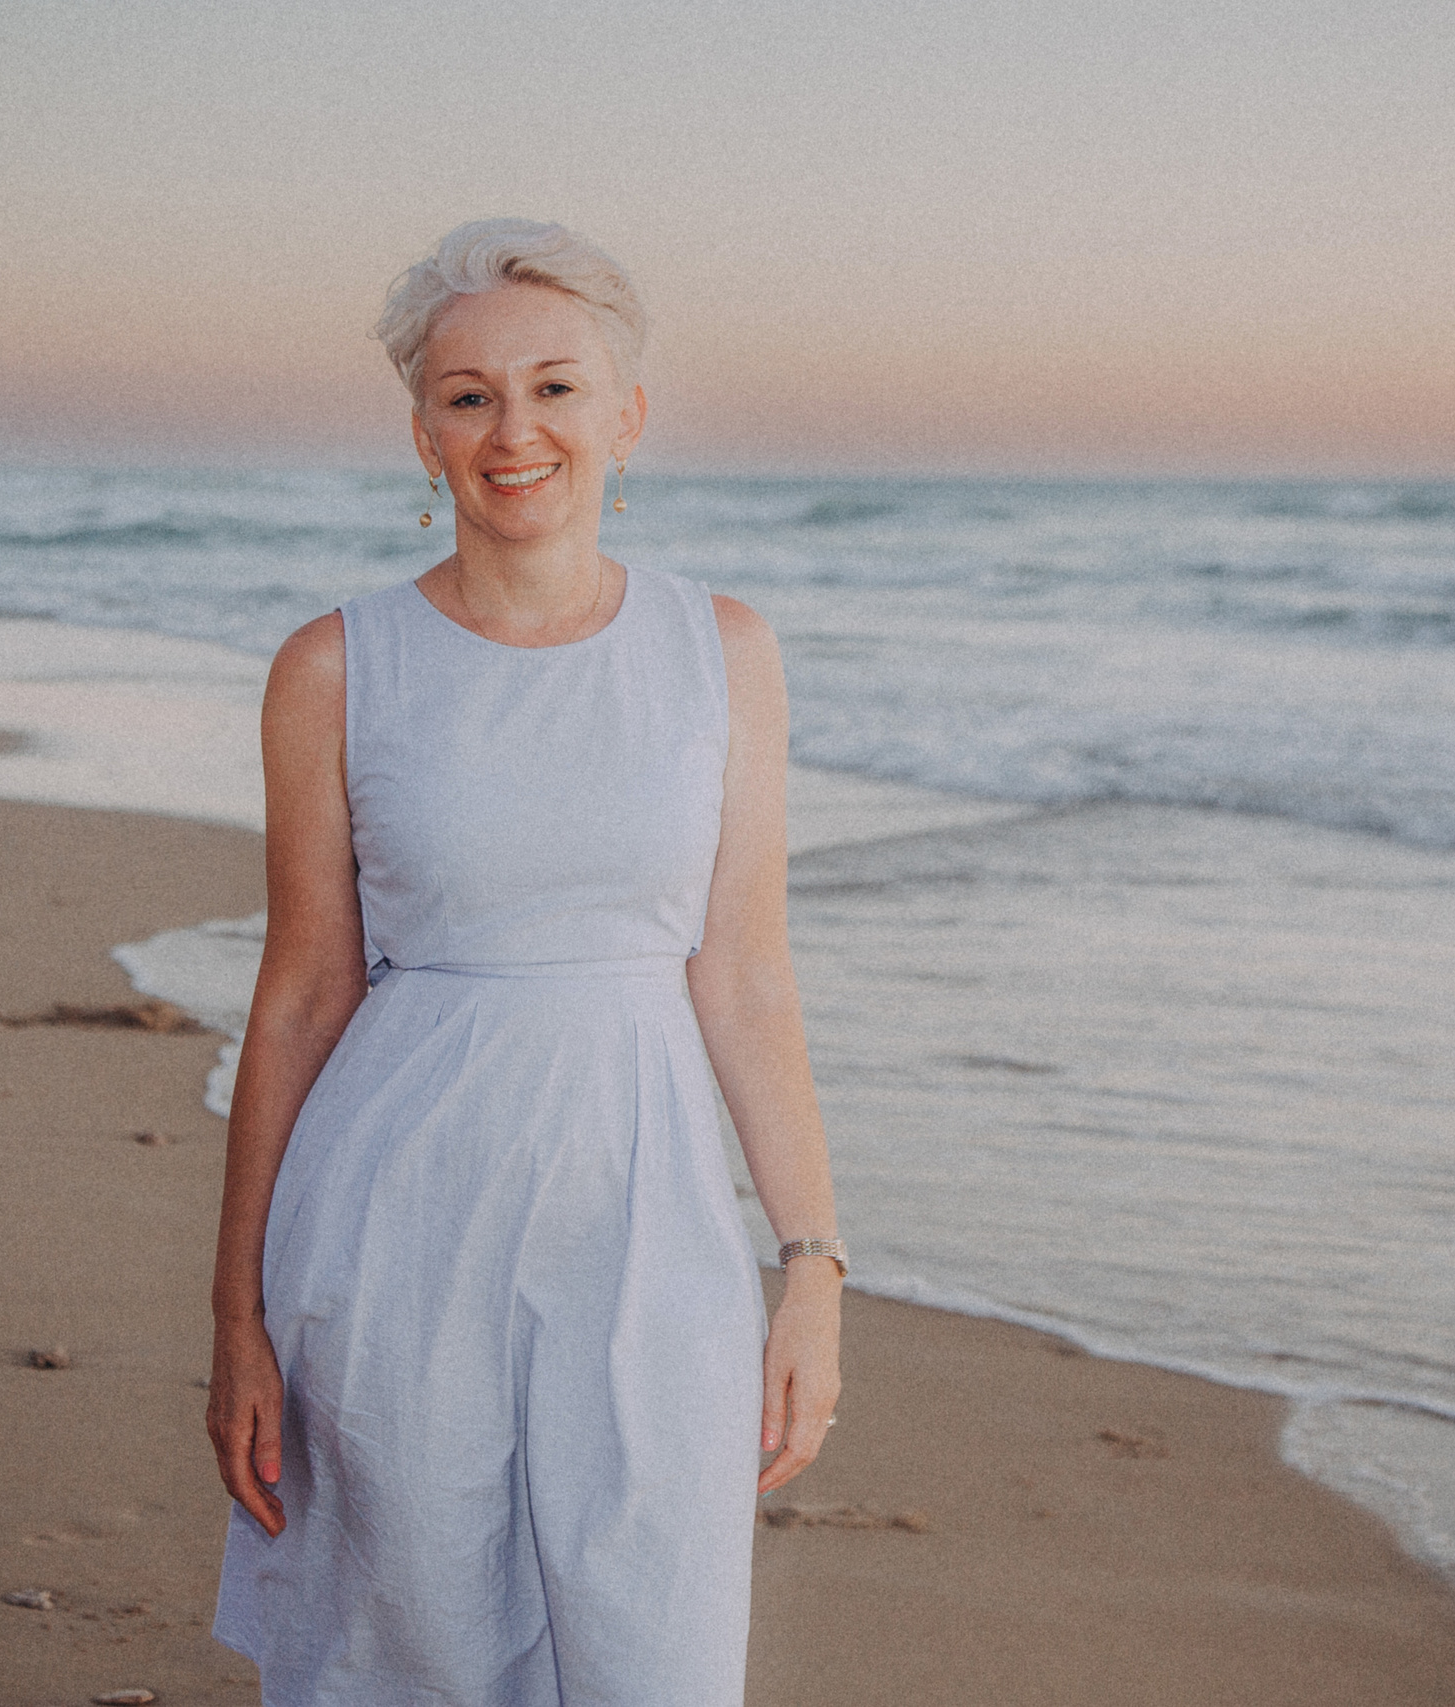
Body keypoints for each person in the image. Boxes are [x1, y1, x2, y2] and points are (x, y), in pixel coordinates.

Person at [206, 217, 844, 1706]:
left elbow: (745, 975)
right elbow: (302, 992)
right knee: (412, 1654)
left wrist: (810, 1266)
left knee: (659, 1648)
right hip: (395, 1213)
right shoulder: (334, 666)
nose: (515, 430)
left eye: (557, 389)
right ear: (423, 433)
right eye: (468, 393)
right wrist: (236, 1319)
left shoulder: (724, 652)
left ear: (627, 420)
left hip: (651, 1215)